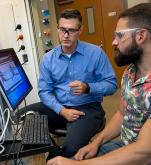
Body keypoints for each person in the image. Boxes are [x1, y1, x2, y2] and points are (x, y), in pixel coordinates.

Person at [47, 3, 151, 165]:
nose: (114, 42)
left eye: (119, 36)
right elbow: (122, 114)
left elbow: (145, 151)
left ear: (141, 36)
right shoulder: (131, 72)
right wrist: (96, 142)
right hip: (125, 145)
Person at [26, 9, 117, 158]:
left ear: (80, 30)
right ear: (57, 28)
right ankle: (52, 150)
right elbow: (44, 91)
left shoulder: (95, 53)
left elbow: (111, 85)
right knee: (25, 115)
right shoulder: (49, 58)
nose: (66, 35)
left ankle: (57, 158)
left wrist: (88, 87)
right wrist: (62, 110)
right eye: (63, 30)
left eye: (72, 30)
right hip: (59, 107)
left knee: (70, 148)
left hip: (87, 109)